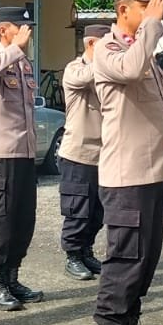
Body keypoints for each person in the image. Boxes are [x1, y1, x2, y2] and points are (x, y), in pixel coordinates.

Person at [91, 0, 163, 325]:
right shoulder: (108, 50)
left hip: (152, 174)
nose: (153, 12)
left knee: (145, 261)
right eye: (145, 7)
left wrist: (148, 31)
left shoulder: (141, 52)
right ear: (124, 9)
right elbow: (130, 69)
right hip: (126, 177)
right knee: (124, 261)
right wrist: (152, 27)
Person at [0, 5, 46, 310]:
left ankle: (12, 277)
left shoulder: (24, 65)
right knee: (2, 221)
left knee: (23, 220)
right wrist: (15, 49)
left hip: (25, 153)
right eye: (21, 29)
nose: (27, 35)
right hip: (1, 154)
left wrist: (19, 53)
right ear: (4, 30)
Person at [58, 24, 109, 281]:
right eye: (105, 44)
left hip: (104, 154)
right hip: (78, 154)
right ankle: (73, 255)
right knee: (78, 208)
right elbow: (85, 77)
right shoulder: (74, 68)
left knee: (99, 211)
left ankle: (86, 251)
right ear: (91, 44)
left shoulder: (103, 70)